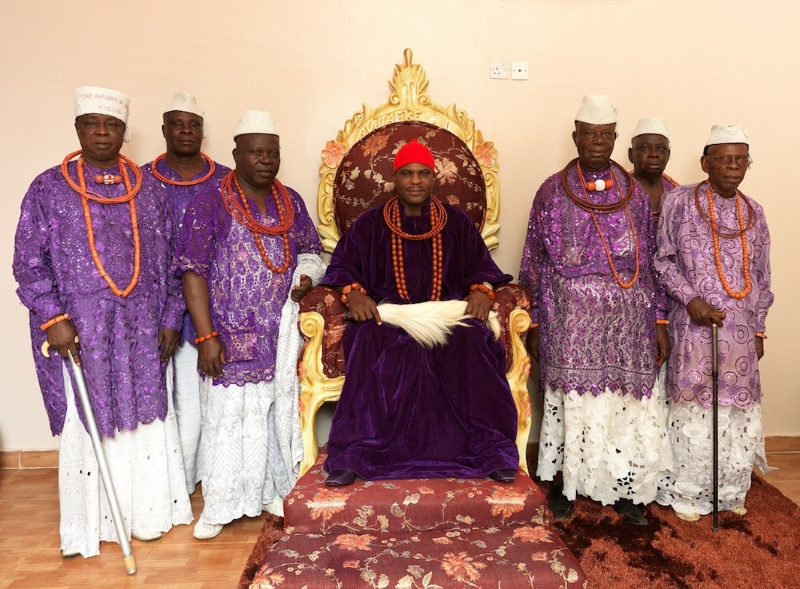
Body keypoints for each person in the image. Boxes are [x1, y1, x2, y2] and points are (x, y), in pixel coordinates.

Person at [13, 86, 192, 558]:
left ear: (124, 132)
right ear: (76, 128)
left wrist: (171, 316)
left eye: (111, 125)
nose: (101, 133)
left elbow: (176, 261)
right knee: (89, 416)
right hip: (80, 330)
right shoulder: (48, 188)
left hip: (143, 329)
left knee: (144, 415)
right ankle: (91, 523)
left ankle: (146, 515)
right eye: (91, 123)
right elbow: (27, 263)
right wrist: (53, 317)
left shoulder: (148, 188)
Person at [320, 139, 520, 487]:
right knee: (366, 338)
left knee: (473, 339)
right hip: (389, 318)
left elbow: (483, 269)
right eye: (407, 174)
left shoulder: (457, 223)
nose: (415, 181)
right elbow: (342, 268)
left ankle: (491, 451)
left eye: (423, 173)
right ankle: (355, 453)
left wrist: (481, 289)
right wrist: (353, 294)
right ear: (394, 179)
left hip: (446, 317)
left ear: (434, 178)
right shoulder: (369, 224)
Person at [519, 95, 672, 525]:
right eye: (590, 134)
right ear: (576, 137)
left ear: (616, 138)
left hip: (628, 320)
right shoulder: (551, 191)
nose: (598, 141)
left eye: (605, 134)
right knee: (574, 403)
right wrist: (534, 321)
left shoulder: (634, 195)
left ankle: (623, 488)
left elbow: (651, 264)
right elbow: (533, 261)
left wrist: (659, 321)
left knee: (624, 403)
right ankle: (566, 484)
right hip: (570, 320)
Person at [174, 110, 325, 539]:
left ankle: (273, 493)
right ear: (236, 153)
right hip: (227, 333)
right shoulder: (210, 201)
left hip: (280, 335)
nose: (266, 159)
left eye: (272, 152)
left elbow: (311, 252)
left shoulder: (290, 201)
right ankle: (221, 507)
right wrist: (206, 336)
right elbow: (192, 271)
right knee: (227, 421)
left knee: (275, 415)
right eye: (256, 152)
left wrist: (306, 277)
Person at [655, 124, 774, 521]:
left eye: (741, 160)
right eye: (725, 159)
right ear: (706, 163)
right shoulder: (679, 201)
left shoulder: (754, 212)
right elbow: (662, 261)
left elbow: (762, 277)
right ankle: (688, 493)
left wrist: (758, 328)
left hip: (740, 333)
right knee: (694, 409)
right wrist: (691, 300)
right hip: (693, 327)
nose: (734, 166)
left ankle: (729, 491)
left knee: (735, 412)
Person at [143, 92, 231, 494]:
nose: (185, 131)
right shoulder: (140, 181)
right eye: (177, 124)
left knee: (203, 398)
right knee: (162, 399)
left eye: (193, 124)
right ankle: (166, 482)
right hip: (151, 307)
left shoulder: (226, 182)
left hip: (212, 305)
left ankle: (199, 477)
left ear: (202, 131)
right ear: (163, 130)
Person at [628, 118, 679, 222]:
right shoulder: (619, 191)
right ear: (631, 155)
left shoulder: (677, 194)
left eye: (661, 149)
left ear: (668, 155)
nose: (654, 154)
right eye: (645, 148)